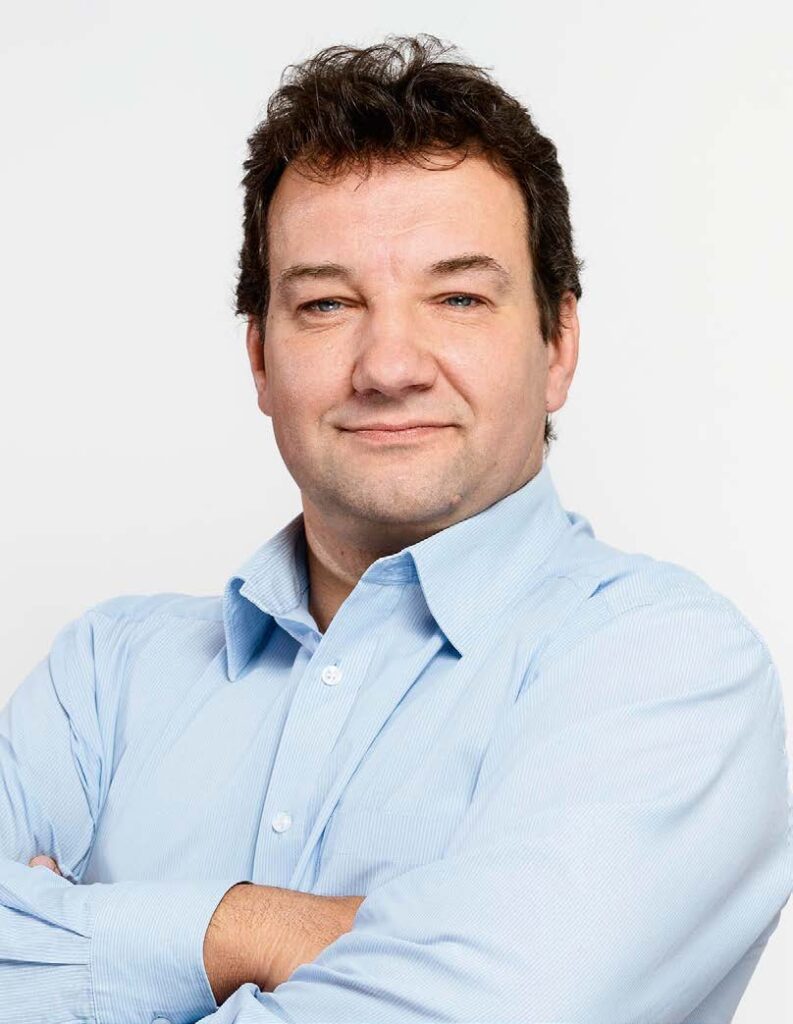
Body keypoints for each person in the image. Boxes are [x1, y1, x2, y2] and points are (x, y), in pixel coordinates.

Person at [1, 32, 790, 1024]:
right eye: (327, 303)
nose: (388, 367)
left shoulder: (666, 669)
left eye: (457, 297)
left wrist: (88, 941)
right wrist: (248, 929)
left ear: (557, 344)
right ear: (259, 357)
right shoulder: (102, 678)